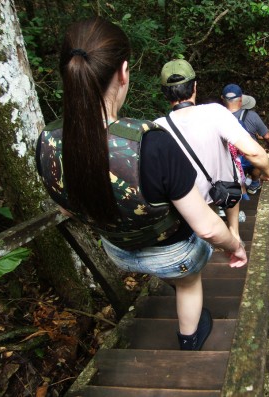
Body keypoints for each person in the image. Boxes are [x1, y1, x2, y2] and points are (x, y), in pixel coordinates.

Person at [35, 17, 247, 351]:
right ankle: (190, 339)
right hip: (174, 254)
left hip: (117, 251)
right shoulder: (151, 143)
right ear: (123, 72)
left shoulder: (47, 141)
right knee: (190, 281)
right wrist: (234, 247)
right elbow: (206, 229)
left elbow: (66, 205)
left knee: (170, 265)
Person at [154, 59, 269, 243]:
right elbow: (254, 153)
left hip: (189, 201)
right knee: (229, 181)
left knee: (202, 227)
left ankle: (208, 244)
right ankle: (234, 233)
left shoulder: (158, 127)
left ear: (165, 93)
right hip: (225, 191)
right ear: (195, 86)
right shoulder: (215, 113)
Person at [222, 84, 269, 195]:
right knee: (255, 164)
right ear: (241, 100)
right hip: (249, 154)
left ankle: (236, 192)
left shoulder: (217, 118)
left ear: (222, 99)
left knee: (236, 174)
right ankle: (253, 185)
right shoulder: (252, 116)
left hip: (229, 159)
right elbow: (267, 136)